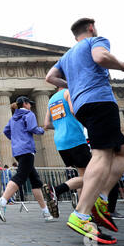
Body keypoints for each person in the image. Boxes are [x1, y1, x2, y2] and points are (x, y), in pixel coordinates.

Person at [45, 17, 124, 244]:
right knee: (102, 155)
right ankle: (82, 212)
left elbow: (49, 77)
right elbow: (101, 57)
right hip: (99, 100)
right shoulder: (95, 41)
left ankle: (101, 197)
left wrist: (73, 85)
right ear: (91, 28)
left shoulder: (66, 57)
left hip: (83, 105)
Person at [0, 96, 54, 223]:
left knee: (36, 181)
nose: (31, 106)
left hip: (18, 150)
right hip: (27, 149)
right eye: (29, 103)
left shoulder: (13, 118)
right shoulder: (29, 114)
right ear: (25, 104)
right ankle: (2, 200)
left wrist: (16, 139)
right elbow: (32, 128)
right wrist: (42, 130)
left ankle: (46, 212)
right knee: (20, 176)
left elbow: (6, 131)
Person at [42, 87, 90, 218]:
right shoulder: (69, 92)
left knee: (82, 175)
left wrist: (59, 126)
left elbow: (46, 124)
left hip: (61, 141)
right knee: (92, 176)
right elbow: (74, 111)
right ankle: (57, 190)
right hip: (75, 138)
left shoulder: (51, 100)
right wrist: (88, 124)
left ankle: (82, 210)